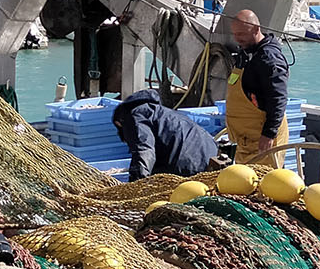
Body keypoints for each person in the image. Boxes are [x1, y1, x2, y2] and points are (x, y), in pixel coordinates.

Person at [225, 9, 289, 167]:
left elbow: (278, 98)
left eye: (241, 34)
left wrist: (269, 133)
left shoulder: (269, 59)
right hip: (245, 142)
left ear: (255, 29)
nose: (237, 39)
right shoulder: (246, 54)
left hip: (262, 142)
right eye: (235, 34)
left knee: (264, 185)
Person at [111, 89, 218, 181]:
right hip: (210, 158)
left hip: (186, 165)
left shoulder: (134, 116)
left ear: (119, 123)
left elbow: (144, 150)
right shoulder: (164, 114)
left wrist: (135, 186)